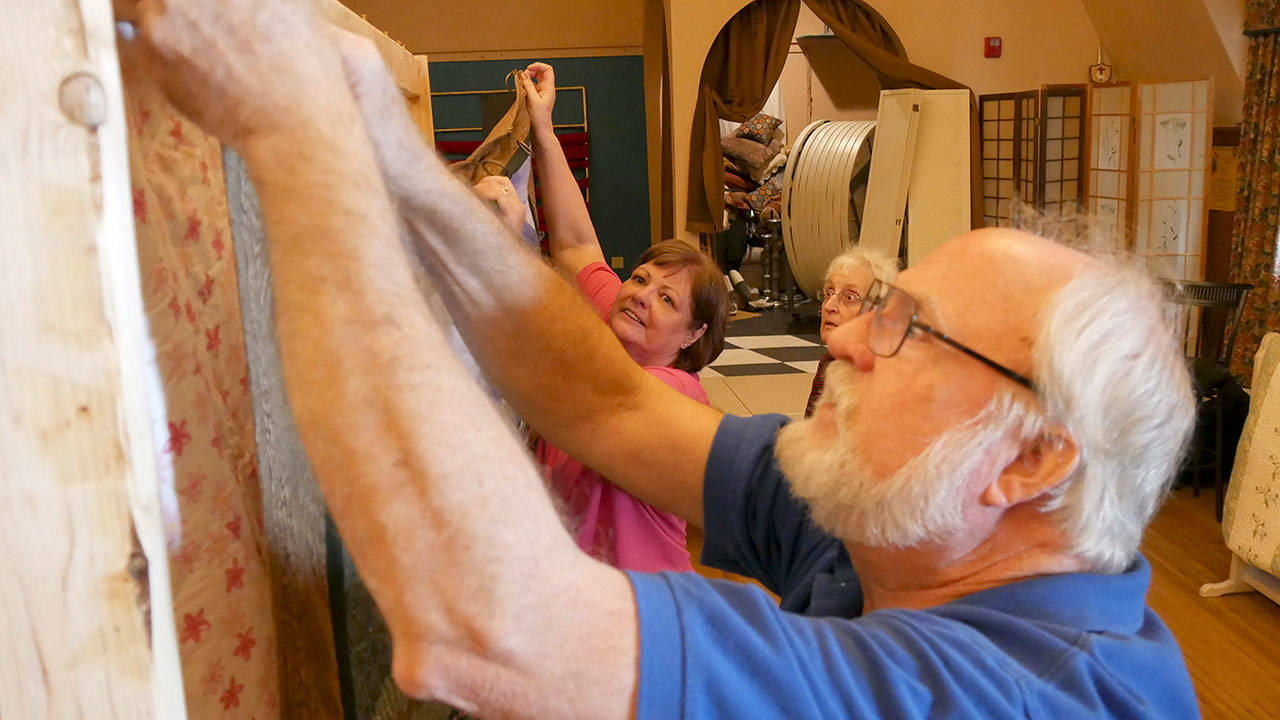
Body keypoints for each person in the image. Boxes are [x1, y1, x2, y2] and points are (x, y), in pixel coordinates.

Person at [127, 2, 1201, 718]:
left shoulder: (1020, 696)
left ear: (1025, 462)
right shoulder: (892, 518)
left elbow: (484, 626)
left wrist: (295, 134)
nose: (841, 337)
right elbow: (602, 405)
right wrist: (391, 160)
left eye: (900, 327)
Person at [479, 62, 729, 572]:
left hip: (645, 615)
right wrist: (546, 131)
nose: (640, 296)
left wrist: (500, 248)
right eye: (640, 279)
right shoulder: (616, 324)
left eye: (668, 301)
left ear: (693, 334)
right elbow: (576, 245)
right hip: (574, 596)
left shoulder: (675, 391)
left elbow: (571, 403)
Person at [805, 246, 898, 417]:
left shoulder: (881, 378)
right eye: (829, 292)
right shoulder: (830, 362)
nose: (828, 306)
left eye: (849, 297)